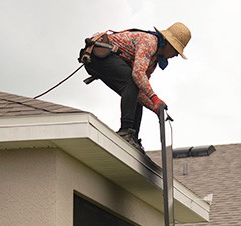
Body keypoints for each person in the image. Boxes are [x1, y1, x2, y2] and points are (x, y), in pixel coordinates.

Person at [80, 22, 191, 153]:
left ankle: (132, 138)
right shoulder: (149, 42)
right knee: (132, 82)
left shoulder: (152, 61)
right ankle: (126, 131)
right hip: (99, 54)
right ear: (168, 43)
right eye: (175, 50)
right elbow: (137, 75)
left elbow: (141, 90)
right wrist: (154, 98)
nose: (176, 55)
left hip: (106, 59)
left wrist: (154, 107)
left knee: (136, 90)